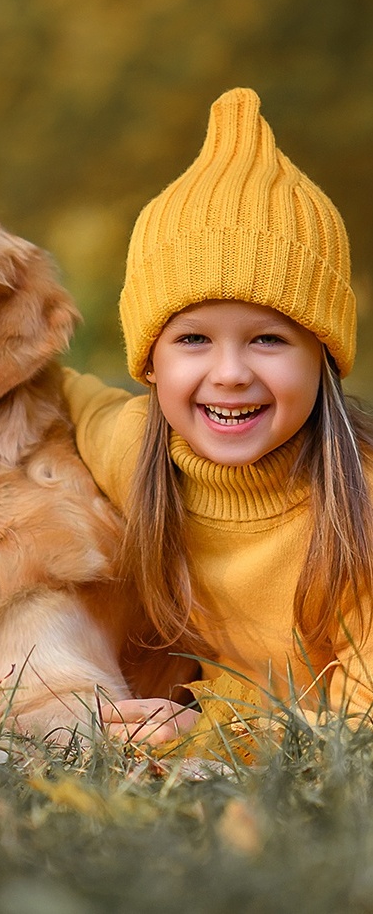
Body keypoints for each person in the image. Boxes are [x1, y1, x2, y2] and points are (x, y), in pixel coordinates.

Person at [63, 87, 373, 743]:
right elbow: (49, 387)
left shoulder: (359, 506)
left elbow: (360, 721)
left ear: (325, 357)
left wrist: (207, 738)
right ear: (149, 364)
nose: (229, 372)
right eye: (193, 339)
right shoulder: (131, 447)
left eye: (267, 338)